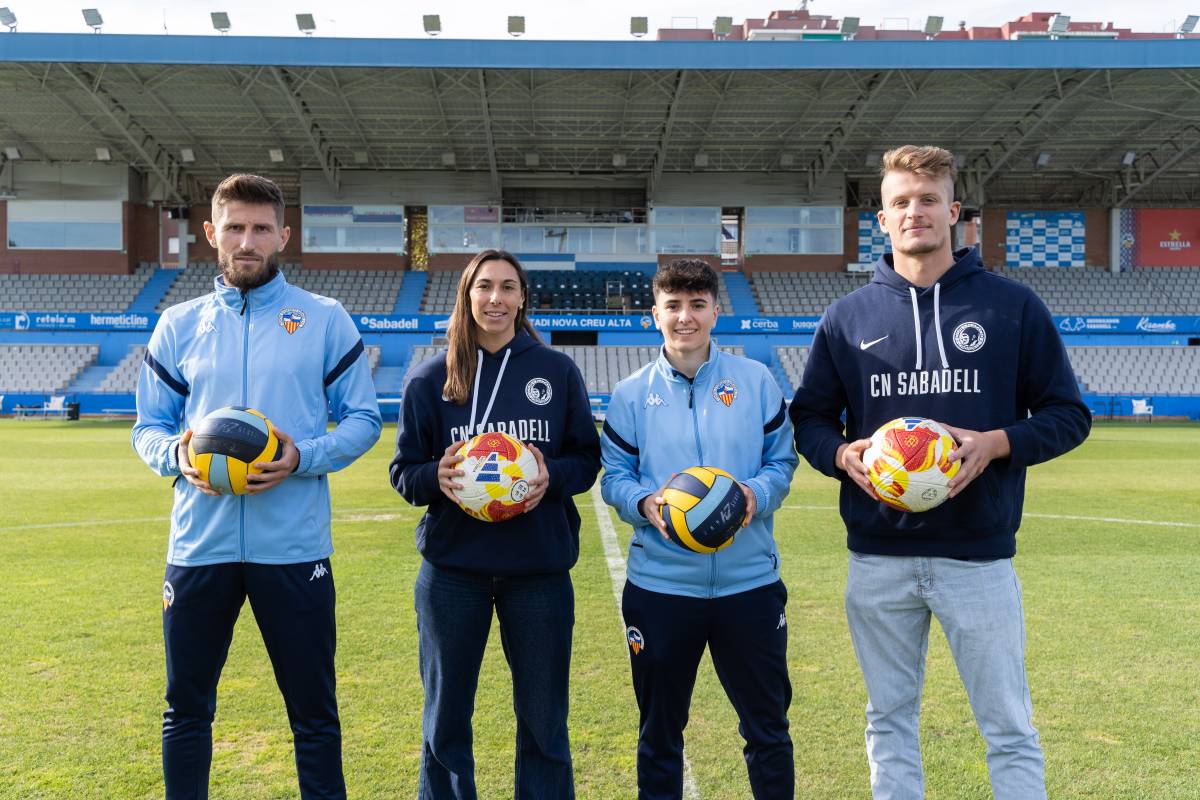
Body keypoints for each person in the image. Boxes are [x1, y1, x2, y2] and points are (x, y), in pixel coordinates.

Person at [790, 145, 1091, 800]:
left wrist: (997, 443)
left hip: (977, 559)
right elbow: (809, 418)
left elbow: (1069, 415)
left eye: (928, 199)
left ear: (954, 212)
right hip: (878, 558)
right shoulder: (846, 319)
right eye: (900, 201)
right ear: (882, 219)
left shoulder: (1012, 307)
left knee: (1007, 724)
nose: (914, 212)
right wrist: (841, 455)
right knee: (888, 719)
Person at [132, 173, 382, 800]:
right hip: (199, 547)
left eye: (261, 229)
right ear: (210, 233)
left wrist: (302, 457)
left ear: (283, 236)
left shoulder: (324, 319)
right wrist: (176, 456)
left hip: (293, 548)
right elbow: (148, 428)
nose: (248, 241)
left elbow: (363, 419)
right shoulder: (177, 324)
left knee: (314, 712)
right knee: (185, 708)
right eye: (235, 228)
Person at [390, 248, 601, 799]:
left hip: (538, 572)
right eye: (484, 286)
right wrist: (435, 476)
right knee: (445, 720)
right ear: (467, 295)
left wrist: (550, 476)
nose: (496, 298)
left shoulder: (556, 371)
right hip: (452, 574)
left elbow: (586, 459)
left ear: (522, 298)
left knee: (544, 722)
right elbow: (403, 473)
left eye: (508, 287)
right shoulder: (430, 378)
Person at [600, 258, 799, 800]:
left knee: (768, 730)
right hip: (661, 590)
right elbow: (614, 477)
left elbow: (782, 462)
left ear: (715, 311)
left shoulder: (755, 381)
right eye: (673, 306)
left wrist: (754, 494)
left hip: (749, 586)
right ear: (655, 314)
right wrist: (644, 503)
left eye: (697, 305)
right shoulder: (630, 394)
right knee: (659, 733)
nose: (684, 317)